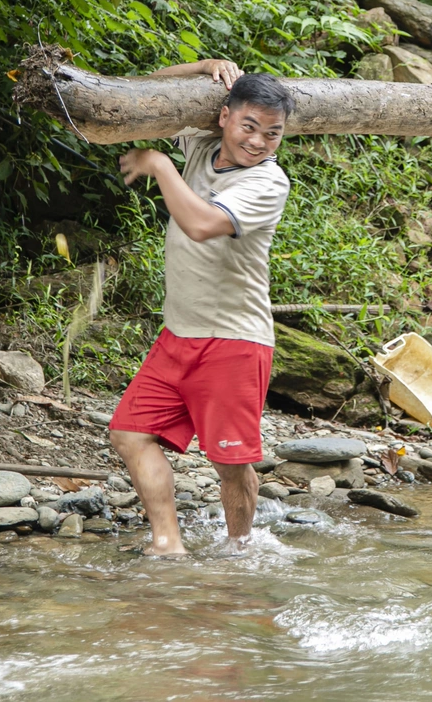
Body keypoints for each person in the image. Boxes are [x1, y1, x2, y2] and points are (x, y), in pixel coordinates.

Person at [108, 58, 294, 556]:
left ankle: (240, 551)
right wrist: (203, 66)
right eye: (249, 126)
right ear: (224, 117)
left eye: (272, 134)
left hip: (234, 340)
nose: (257, 142)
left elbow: (202, 224)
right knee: (129, 434)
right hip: (179, 334)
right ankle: (167, 543)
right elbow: (140, 92)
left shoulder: (268, 182)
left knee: (230, 463)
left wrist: (159, 165)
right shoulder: (203, 145)